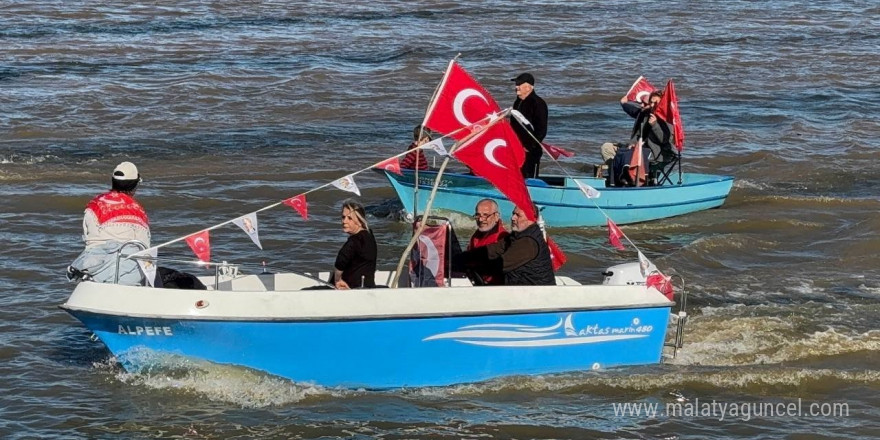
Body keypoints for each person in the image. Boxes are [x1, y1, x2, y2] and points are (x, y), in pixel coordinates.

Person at [68, 161, 151, 285]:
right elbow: (145, 250)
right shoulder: (139, 211)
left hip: (94, 268)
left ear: (113, 181)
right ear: (135, 186)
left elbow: (89, 241)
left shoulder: (94, 205)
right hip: (128, 274)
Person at [456, 205, 555, 286]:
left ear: (531, 219)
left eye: (518, 215)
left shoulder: (528, 242)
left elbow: (501, 265)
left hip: (535, 294)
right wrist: (461, 258)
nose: (512, 218)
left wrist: (469, 267)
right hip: (519, 287)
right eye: (513, 214)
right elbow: (492, 250)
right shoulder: (517, 236)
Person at [601, 91, 674, 171]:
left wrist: (654, 125)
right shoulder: (645, 114)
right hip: (638, 148)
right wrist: (623, 103)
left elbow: (666, 141)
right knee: (606, 148)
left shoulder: (668, 119)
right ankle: (619, 173)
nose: (642, 105)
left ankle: (627, 174)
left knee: (627, 155)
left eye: (646, 104)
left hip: (654, 154)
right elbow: (632, 111)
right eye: (651, 102)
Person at [510, 73, 548, 179]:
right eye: (516, 84)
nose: (516, 87)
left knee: (529, 177)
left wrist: (529, 146)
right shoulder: (518, 102)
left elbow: (541, 130)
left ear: (528, 86)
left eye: (519, 84)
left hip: (530, 150)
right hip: (516, 148)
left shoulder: (538, 103)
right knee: (516, 177)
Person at [332, 200, 377, 289]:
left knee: (304, 290)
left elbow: (340, 263)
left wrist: (337, 281)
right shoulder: (369, 236)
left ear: (360, 221)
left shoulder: (353, 242)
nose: (344, 221)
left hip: (350, 288)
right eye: (343, 217)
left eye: (350, 218)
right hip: (368, 286)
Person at [465, 199, 509, 285]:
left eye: (485, 215)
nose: (481, 219)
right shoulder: (478, 235)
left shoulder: (502, 239)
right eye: (478, 215)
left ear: (496, 216)